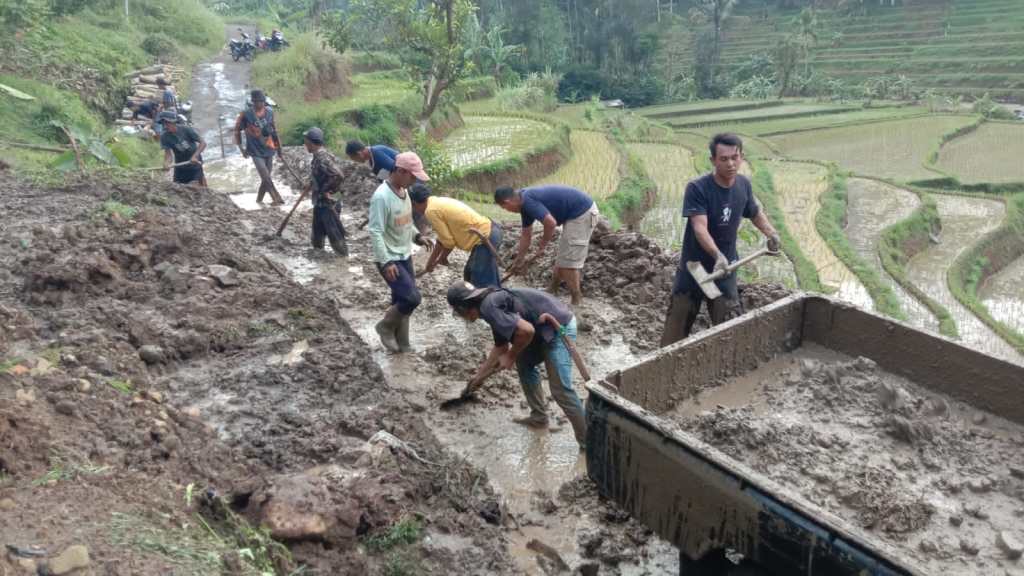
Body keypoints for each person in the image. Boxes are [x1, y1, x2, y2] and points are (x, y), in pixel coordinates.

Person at [660, 133, 781, 347]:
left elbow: (754, 212)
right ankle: (661, 367)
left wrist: (771, 233)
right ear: (713, 160)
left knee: (727, 327)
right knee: (677, 327)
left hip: (726, 269)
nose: (731, 163)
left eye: (735, 157)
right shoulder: (698, 188)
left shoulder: (743, 185)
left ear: (742, 157)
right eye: (724, 159)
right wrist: (717, 255)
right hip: (695, 269)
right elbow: (699, 228)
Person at [446, 280, 587, 448]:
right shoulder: (488, 306)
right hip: (540, 328)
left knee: (560, 390)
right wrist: (478, 378)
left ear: (463, 308)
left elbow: (526, 331)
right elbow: (500, 347)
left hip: (558, 327)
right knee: (524, 364)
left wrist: (511, 355)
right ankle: (539, 418)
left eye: (459, 313)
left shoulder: (488, 306)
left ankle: (588, 443)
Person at [494, 185, 599, 306]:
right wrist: (519, 259)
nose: (507, 211)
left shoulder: (528, 201)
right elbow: (526, 235)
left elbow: (550, 223)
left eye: (504, 208)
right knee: (563, 258)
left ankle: (577, 300)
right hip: (573, 214)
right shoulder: (523, 204)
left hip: (582, 213)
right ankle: (552, 290)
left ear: (507, 202)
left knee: (568, 263)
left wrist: (542, 246)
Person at [369, 152, 431, 353]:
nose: (414, 181)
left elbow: (406, 221)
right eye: (413, 176)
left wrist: (417, 237)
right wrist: (386, 262)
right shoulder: (381, 197)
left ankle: (402, 343)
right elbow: (375, 231)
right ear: (401, 171)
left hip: (404, 255)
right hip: (389, 258)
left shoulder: (404, 193)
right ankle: (385, 327)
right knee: (412, 298)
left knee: (400, 300)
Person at [410, 184, 503, 287]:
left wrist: (441, 257)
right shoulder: (436, 202)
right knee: (470, 275)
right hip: (491, 231)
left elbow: (448, 242)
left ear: (414, 203)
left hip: (485, 238)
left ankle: (492, 300)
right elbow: (442, 240)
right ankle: (497, 296)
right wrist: (431, 262)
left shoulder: (430, 211)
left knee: (478, 282)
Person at [303, 127, 348, 256]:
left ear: (312, 142)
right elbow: (324, 174)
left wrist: (325, 190)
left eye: (306, 142)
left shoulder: (322, 157)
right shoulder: (319, 156)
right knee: (317, 231)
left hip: (328, 202)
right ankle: (317, 253)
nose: (305, 144)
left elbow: (338, 175)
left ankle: (343, 260)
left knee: (334, 232)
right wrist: (313, 182)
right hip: (321, 201)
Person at [234, 90, 284, 205]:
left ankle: (259, 200)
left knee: (266, 178)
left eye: (261, 101)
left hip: (269, 148)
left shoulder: (270, 112)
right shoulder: (245, 115)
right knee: (265, 175)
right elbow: (237, 130)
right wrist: (242, 149)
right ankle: (276, 198)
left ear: (264, 102)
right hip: (254, 150)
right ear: (253, 102)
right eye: (257, 102)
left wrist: (279, 149)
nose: (259, 104)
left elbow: (274, 131)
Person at [158, 112, 206, 188]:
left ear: (173, 122)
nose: (166, 126)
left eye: (168, 123)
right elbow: (168, 154)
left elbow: (203, 143)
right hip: (180, 165)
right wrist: (166, 163)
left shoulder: (186, 129)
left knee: (196, 187)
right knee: (177, 188)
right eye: (164, 124)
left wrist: (195, 156)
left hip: (194, 163)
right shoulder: (165, 137)